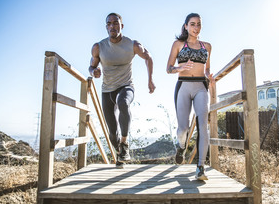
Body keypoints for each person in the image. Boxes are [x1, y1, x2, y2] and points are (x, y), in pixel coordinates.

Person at [89, 13, 156, 168]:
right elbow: (92, 66)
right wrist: (94, 72)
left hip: (126, 86)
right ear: (106, 27)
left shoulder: (132, 44)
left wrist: (150, 79)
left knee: (123, 103)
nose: (112, 26)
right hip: (107, 90)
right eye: (109, 24)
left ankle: (124, 143)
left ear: (121, 26)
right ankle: (120, 153)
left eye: (115, 23)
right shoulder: (99, 47)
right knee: (112, 132)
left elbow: (148, 57)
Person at [166, 13, 214, 180]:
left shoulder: (207, 46)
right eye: (192, 24)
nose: (196, 27)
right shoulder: (178, 44)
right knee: (183, 129)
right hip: (183, 86)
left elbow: (207, 68)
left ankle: (200, 167)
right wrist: (180, 68)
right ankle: (181, 146)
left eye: (198, 24)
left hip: (201, 86)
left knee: (203, 126)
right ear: (185, 26)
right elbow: (169, 68)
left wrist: (209, 75)